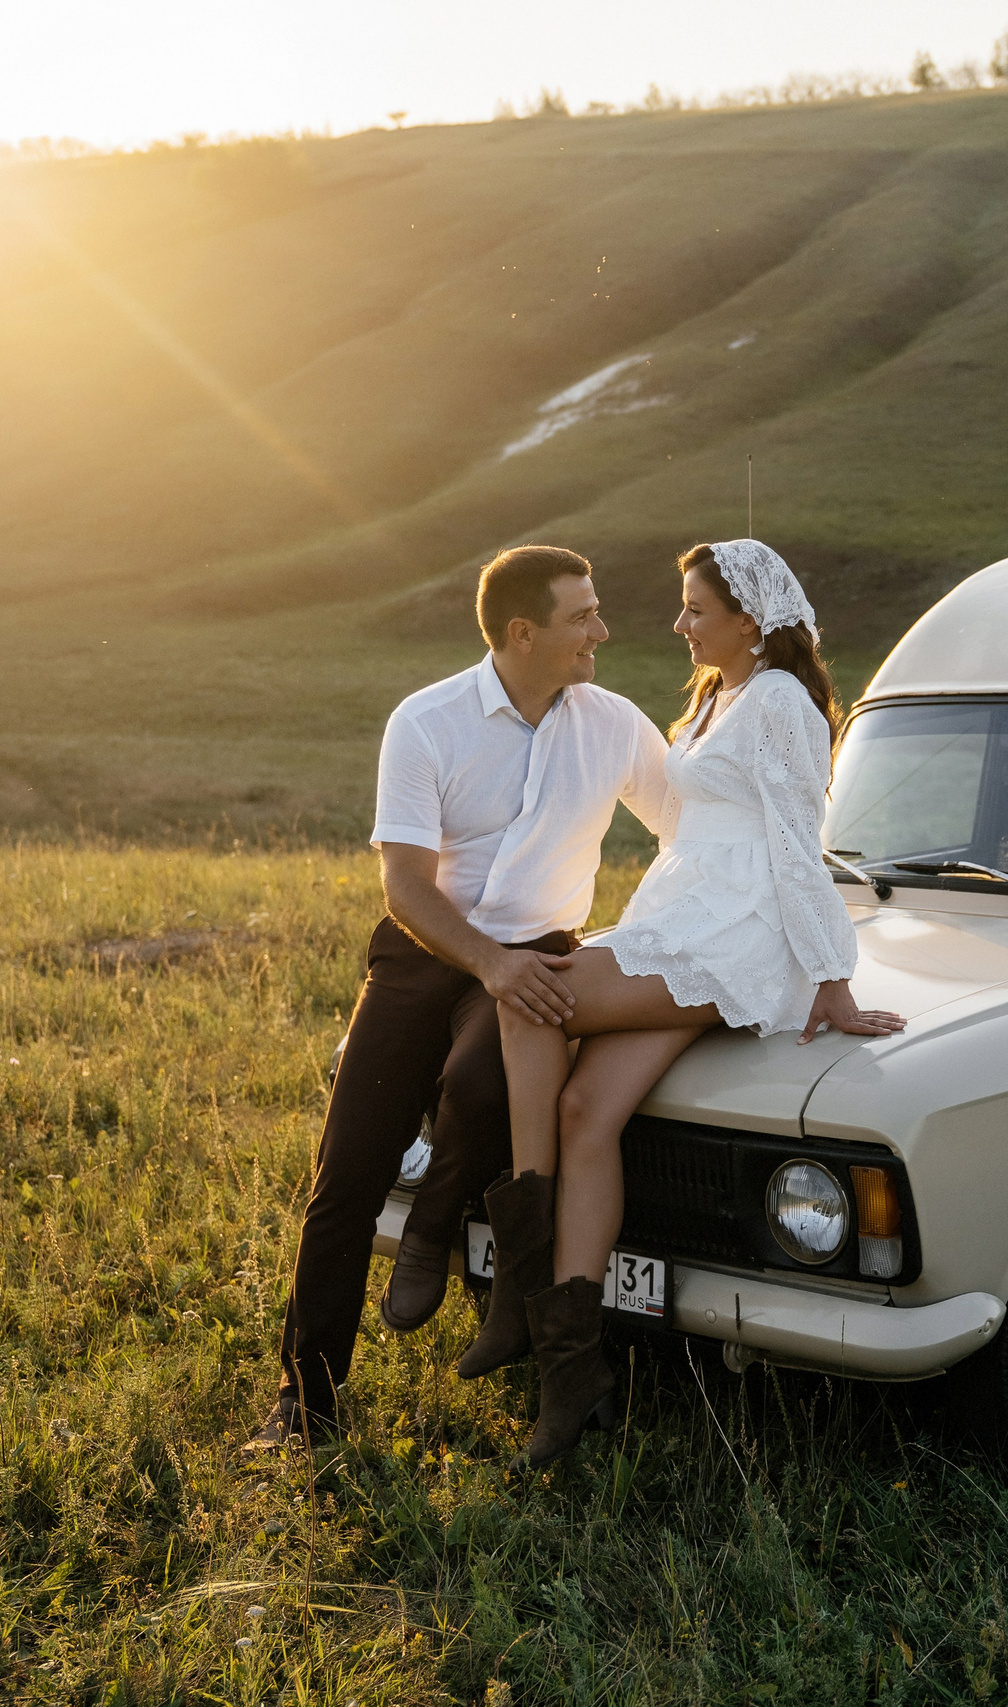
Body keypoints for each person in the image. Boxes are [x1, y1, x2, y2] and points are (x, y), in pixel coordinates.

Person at [487, 539, 905, 1467]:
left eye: (695, 610)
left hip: (737, 932)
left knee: (528, 995)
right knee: (586, 1108)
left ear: (750, 621)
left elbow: (800, 843)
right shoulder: (717, 696)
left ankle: (520, 1283)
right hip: (681, 918)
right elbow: (693, 822)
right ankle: (575, 1372)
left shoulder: (785, 705)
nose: (678, 623)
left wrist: (832, 982)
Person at [247, 544, 669, 1453]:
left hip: (542, 955)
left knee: (480, 1085)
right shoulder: (427, 722)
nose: (602, 629)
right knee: (347, 1173)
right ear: (524, 633)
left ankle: (435, 1224)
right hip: (425, 952)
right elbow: (406, 886)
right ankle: (305, 1404)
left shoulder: (615, 725)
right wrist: (489, 963)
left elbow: (697, 833)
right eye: (582, 616)